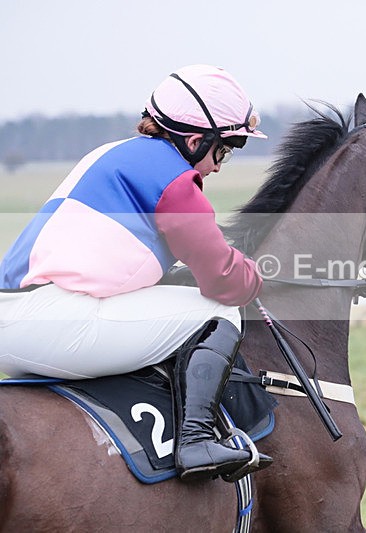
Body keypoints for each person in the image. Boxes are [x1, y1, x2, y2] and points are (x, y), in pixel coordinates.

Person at [0, 64, 271, 482]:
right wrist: (257, 275)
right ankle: (196, 441)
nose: (218, 167)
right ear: (196, 141)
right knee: (218, 314)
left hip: (20, 316)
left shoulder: (113, 152)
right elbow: (224, 281)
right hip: (52, 322)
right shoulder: (175, 180)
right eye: (224, 150)